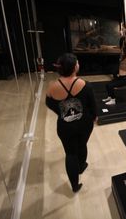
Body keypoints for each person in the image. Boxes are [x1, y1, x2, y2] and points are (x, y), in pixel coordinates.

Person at [45, 53, 97, 193]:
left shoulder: (52, 87)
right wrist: (91, 118)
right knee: (82, 145)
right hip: (84, 125)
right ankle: (81, 167)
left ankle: (74, 186)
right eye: (78, 63)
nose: (79, 64)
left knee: (70, 154)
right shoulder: (85, 85)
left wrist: (62, 113)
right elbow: (93, 107)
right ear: (75, 67)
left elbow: (49, 103)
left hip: (65, 126)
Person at [102, 35, 126, 105]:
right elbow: (122, 48)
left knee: (110, 86)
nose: (122, 47)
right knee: (107, 85)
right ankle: (110, 97)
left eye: (123, 44)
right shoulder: (122, 54)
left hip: (125, 79)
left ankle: (113, 100)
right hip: (120, 77)